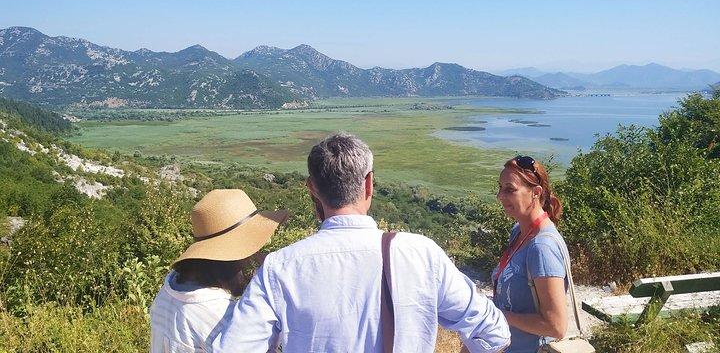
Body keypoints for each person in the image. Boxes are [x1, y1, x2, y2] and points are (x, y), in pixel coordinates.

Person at [213, 132, 510, 353]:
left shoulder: (280, 268)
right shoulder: (420, 254)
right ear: (369, 184)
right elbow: (494, 332)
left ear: (312, 189)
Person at [149, 188, 289, 353]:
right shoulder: (224, 318)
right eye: (251, 250)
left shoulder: (169, 290)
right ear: (231, 259)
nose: (258, 256)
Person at [491, 155, 569, 353]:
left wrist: (498, 314)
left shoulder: (542, 247)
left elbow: (556, 327)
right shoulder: (518, 231)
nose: (500, 196)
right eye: (500, 188)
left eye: (510, 189)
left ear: (536, 192)